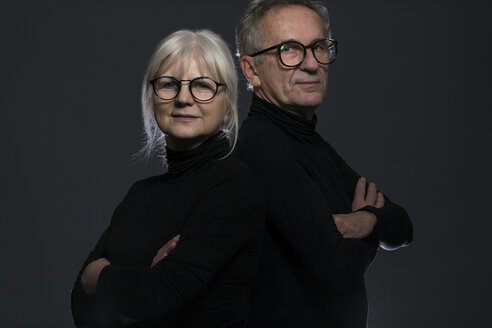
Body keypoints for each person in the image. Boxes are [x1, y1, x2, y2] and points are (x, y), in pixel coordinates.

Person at [235, 0, 413, 327]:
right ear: (251, 70)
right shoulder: (260, 146)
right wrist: (375, 223)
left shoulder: (309, 143)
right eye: (289, 50)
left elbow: (402, 226)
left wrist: (365, 221)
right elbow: (336, 268)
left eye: (318, 47)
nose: (311, 64)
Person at [71, 29, 265, 328]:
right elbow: (81, 310)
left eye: (202, 85)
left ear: (228, 105)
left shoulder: (235, 187)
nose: (183, 98)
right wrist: (137, 293)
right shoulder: (139, 195)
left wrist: (94, 276)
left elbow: (158, 295)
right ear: (152, 98)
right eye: (169, 84)